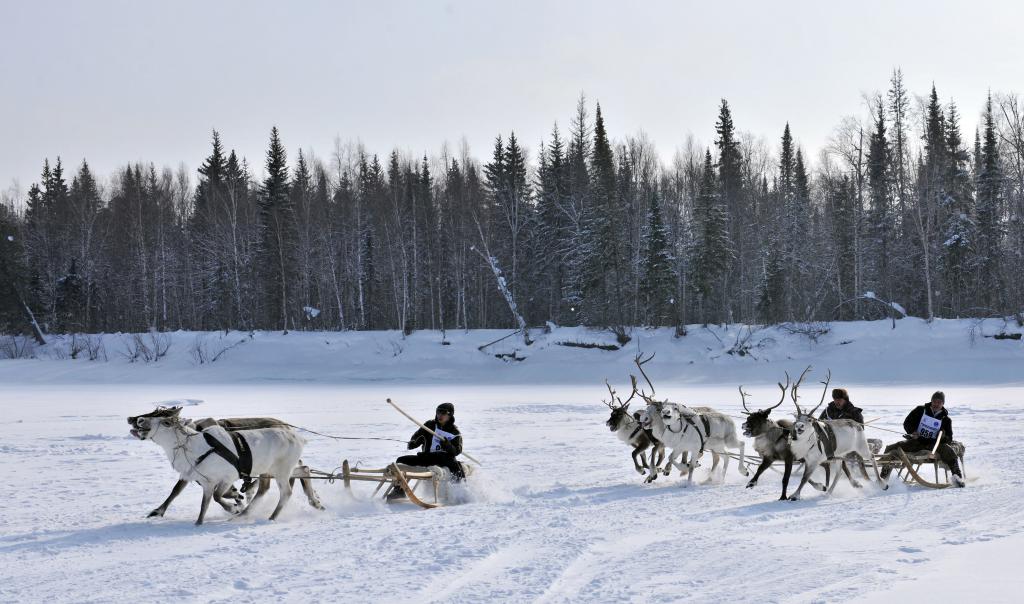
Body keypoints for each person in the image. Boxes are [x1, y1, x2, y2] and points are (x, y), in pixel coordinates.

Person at [879, 391, 964, 487]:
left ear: (943, 404)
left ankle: (957, 477)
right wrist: (912, 431)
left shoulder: (946, 420)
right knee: (892, 448)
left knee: (949, 451)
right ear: (931, 401)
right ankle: (883, 478)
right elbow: (907, 423)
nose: (936, 404)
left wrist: (943, 437)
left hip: (934, 445)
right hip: (917, 441)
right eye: (934, 401)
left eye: (939, 402)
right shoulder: (920, 410)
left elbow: (949, 438)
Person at [387, 403, 465, 500]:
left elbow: (457, 450)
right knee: (400, 460)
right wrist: (413, 443)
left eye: (443, 413)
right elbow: (417, 436)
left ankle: (461, 493)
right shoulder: (429, 425)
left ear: (450, 415)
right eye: (438, 412)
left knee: (457, 468)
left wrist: (447, 445)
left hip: (443, 459)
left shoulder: (455, 432)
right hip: (426, 458)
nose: (440, 415)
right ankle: (399, 490)